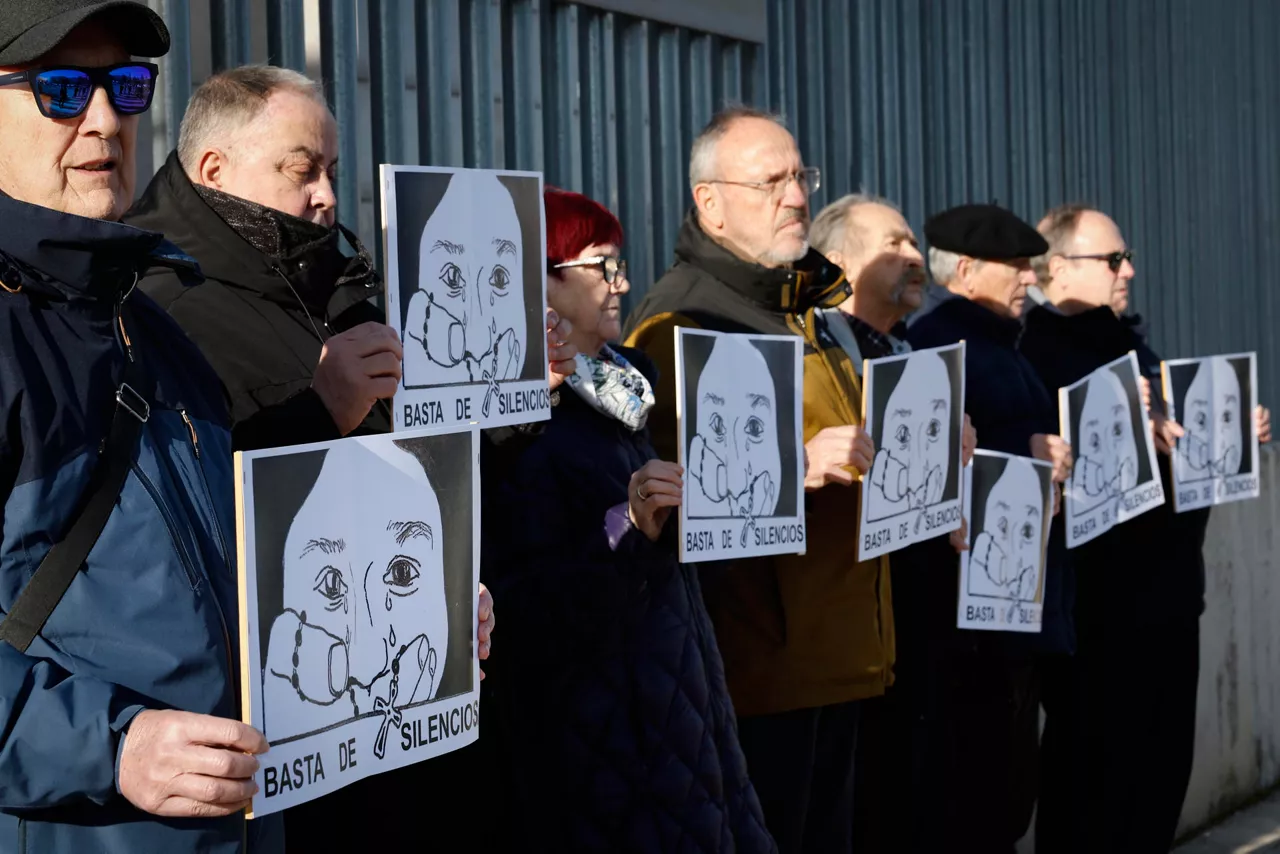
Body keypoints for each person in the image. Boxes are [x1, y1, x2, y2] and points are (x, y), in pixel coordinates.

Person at [124, 64, 504, 850]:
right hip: (275, 742)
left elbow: (403, 476)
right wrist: (319, 408)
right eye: (302, 170)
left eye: (331, 169)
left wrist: (441, 585)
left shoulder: (333, 287)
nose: (327, 194)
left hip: (386, 741)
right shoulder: (157, 310)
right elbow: (182, 514)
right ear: (214, 170)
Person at [0, 3, 284, 851]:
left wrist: (420, 604)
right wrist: (112, 746)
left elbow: (229, 571)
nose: (102, 120)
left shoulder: (154, 324)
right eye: (58, 89)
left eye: (125, 87)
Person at [479, 186, 775, 853]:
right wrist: (631, 526)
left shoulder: (621, 393)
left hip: (678, 705)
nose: (623, 284)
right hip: (605, 736)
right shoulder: (514, 419)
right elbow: (532, 599)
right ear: (541, 282)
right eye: (601, 266)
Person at [624, 107, 883, 854]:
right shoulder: (676, 324)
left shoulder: (805, 307)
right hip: (759, 674)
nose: (797, 196)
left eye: (800, 176)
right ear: (710, 201)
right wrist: (795, 469)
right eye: (771, 181)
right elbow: (668, 497)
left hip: (840, 653)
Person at [1020, 204, 1272, 853]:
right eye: (1111, 259)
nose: (1128, 269)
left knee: (1156, 784)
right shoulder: (1037, 352)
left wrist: (1227, 436)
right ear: (1056, 268)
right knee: (1095, 788)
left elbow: (1173, 465)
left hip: (1164, 605)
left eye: (1124, 256)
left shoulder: (1127, 343)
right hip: (1099, 621)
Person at [888, 203, 1076, 852]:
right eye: (1018, 266)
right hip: (968, 631)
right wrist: (1020, 447)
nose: (1031, 278)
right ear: (966, 269)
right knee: (973, 801)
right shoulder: (940, 347)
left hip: (1011, 619)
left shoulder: (1000, 347)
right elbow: (928, 469)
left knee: (1007, 797)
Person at [809, 194, 981, 852]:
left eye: (915, 245)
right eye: (896, 244)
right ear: (838, 261)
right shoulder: (814, 360)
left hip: (913, 637)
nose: (916, 258)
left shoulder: (914, 354)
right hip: (841, 645)